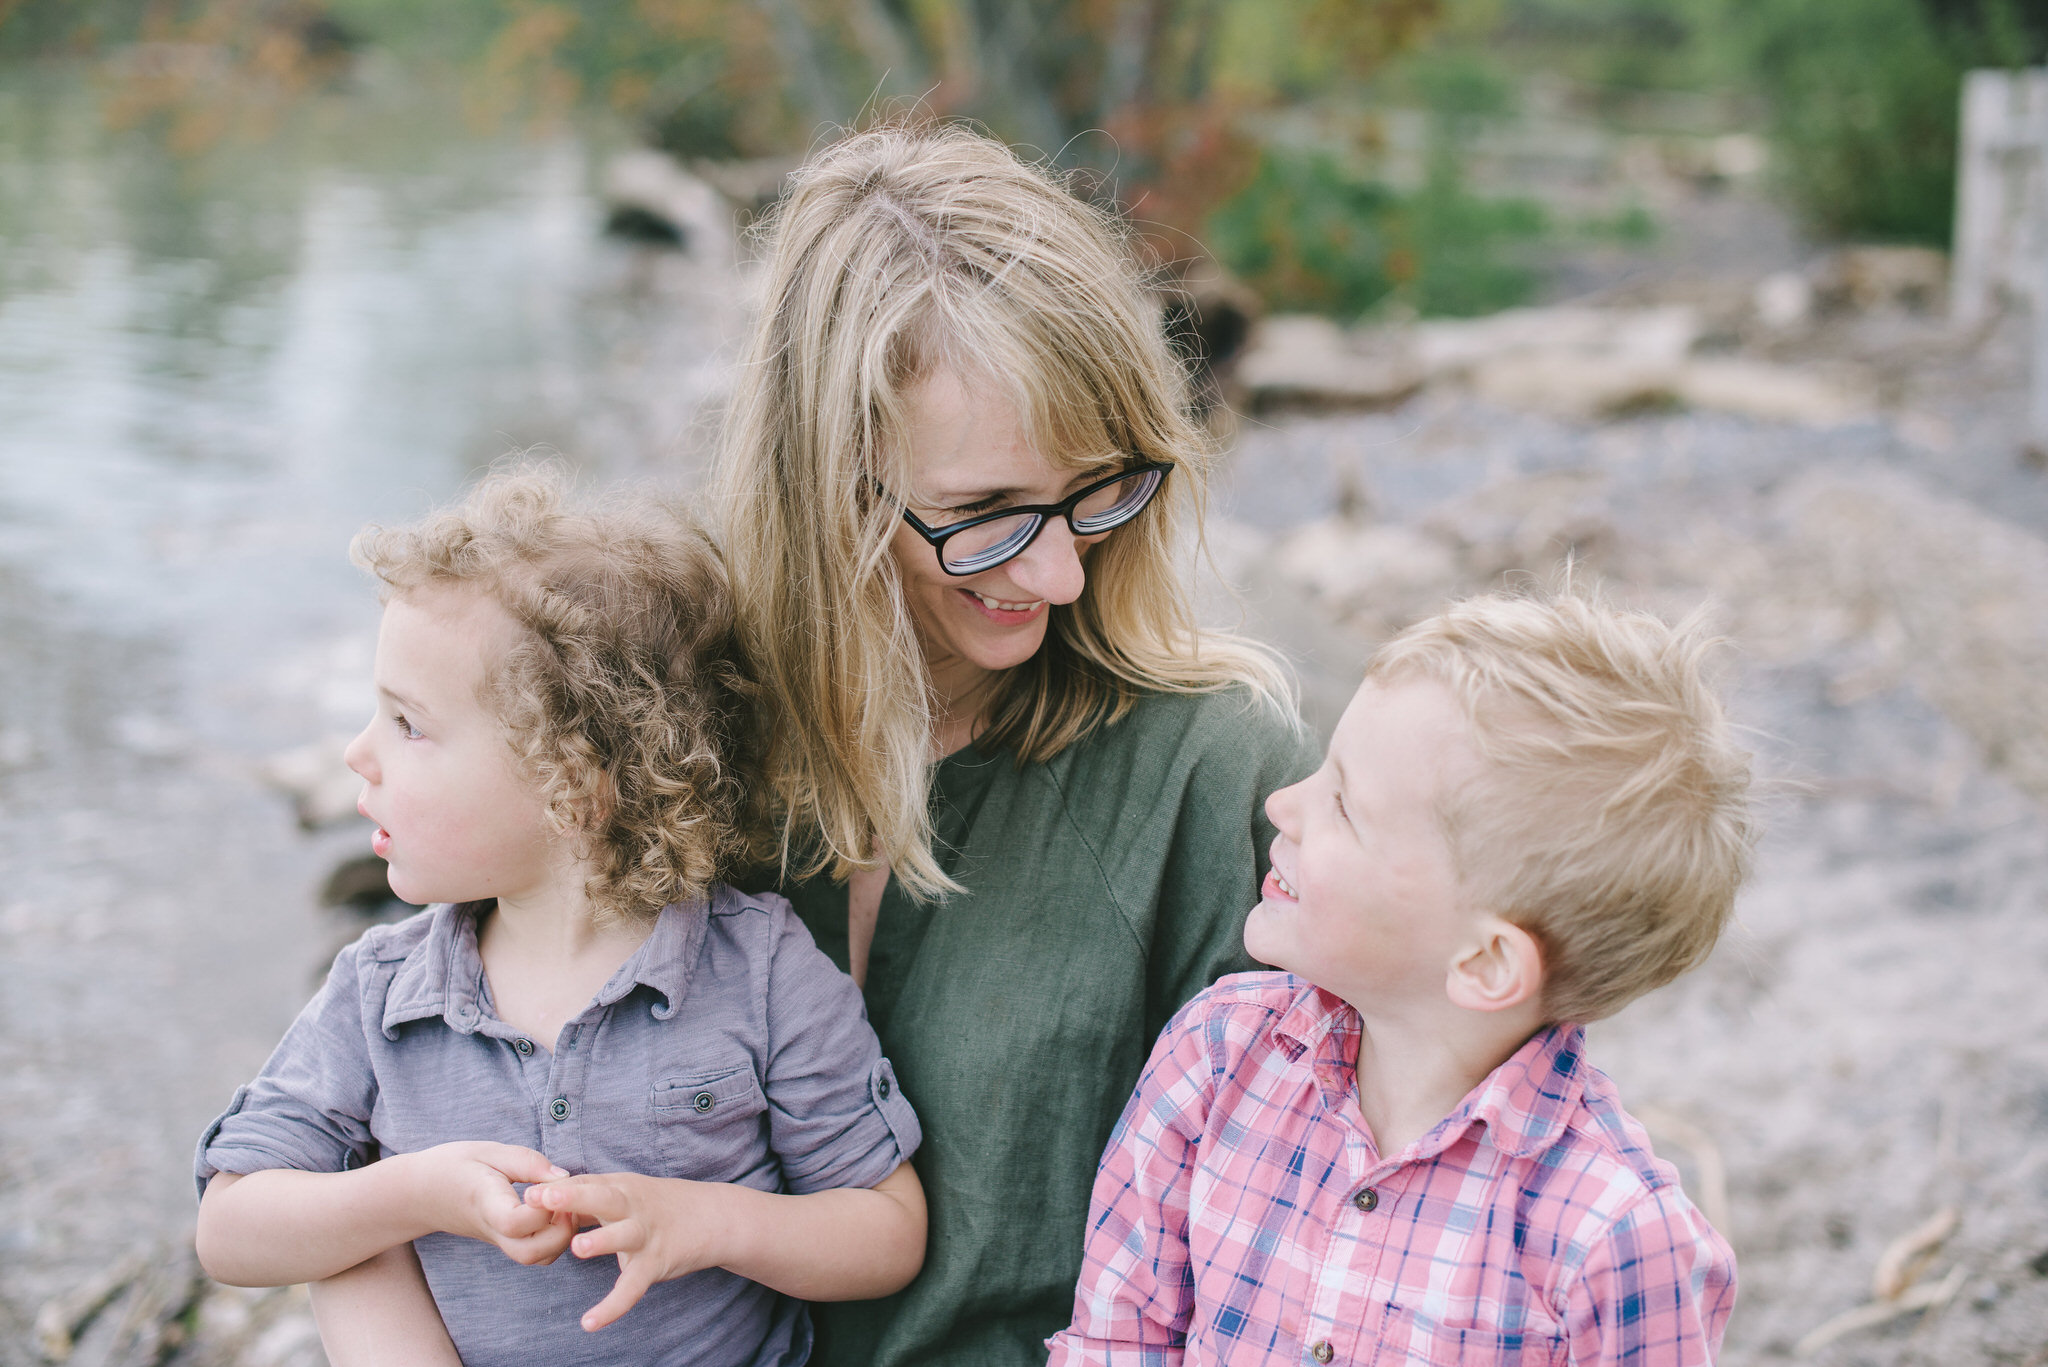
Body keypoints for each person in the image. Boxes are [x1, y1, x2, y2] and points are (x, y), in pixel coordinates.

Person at [312, 121, 1316, 1367]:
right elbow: (351, 1162)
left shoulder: (1217, 777)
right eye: (983, 516)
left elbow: (1311, 1258)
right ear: (825, 480)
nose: (1059, 572)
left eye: (1101, 489)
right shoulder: (654, 708)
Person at [192, 469, 928, 1367]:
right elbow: (228, 1229)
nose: (358, 752)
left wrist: (707, 1220)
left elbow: (888, 1232)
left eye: (407, 724)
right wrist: (416, 1193)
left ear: (575, 781)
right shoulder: (381, 995)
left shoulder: (760, 971)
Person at [1047, 587, 1753, 1366]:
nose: (1284, 803)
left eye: (1345, 806)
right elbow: (1117, 1339)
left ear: (1484, 962)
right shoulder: (1215, 1058)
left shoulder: (1613, 1239)